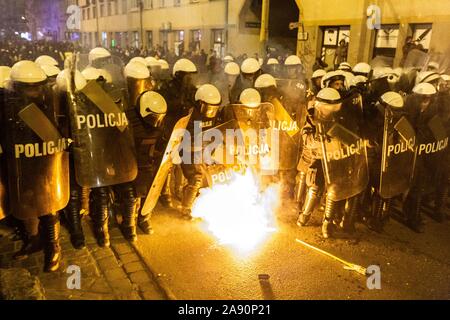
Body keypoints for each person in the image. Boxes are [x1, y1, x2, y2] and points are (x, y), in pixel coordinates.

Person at [2, 61, 70, 272]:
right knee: (25, 201)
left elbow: (61, 129)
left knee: (47, 204)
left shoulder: (50, 102)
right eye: (27, 87)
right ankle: (34, 240)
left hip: (44, 159)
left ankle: (53, 246)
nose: (33, 91)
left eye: (36, 86)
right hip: (19, 159)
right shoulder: (7, 105)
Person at [180, 84, 222, 219]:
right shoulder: (191, 116)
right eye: (208, 108)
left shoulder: (212, 117)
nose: (211, 112)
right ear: (199, 103)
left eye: (214, 108)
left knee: (210, 176)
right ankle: (186, 209)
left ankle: (191, 197)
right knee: (196, 178)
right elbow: (185, 139)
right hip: (188, 152)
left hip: (203, 151)